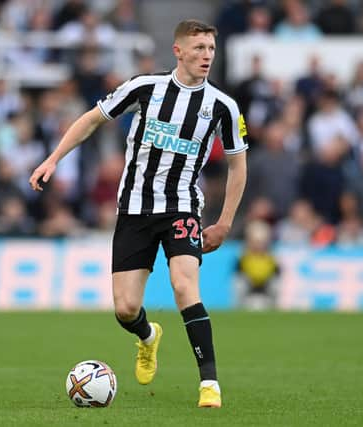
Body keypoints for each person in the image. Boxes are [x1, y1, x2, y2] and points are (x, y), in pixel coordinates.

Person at [29, 19, 248, 408]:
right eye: (198, 49)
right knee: (125, 308)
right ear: (178, 51)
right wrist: (53, 159)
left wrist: (225, 221)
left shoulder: (222, 106)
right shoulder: (144, 87)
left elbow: (237, 164)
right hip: (134, 209)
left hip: (182, 206)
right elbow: (92, 119)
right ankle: (148, 337)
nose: (206, 56)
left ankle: (209, 383)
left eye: (211, 49)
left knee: (185, 286)